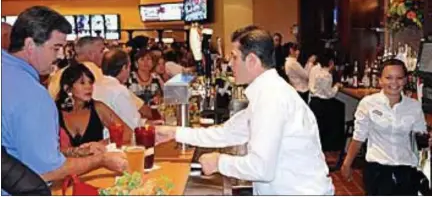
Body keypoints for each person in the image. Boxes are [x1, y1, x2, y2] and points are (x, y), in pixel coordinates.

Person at [155, 26, 334, 195]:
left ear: (252, 60)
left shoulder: (271, 98)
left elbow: (261, 168)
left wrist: (219, 162)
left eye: (234, 57)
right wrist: (174, 133)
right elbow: (227, 132)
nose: (230, 63)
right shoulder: (267, 92)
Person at [1, 6, 127, 193]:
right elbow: (47, 170)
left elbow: (17, 149)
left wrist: (74, 152)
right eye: (56, 48)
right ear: (29, 45)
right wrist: (101, 160)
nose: (60, 56)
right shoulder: (32, 95)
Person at [341, 59, 431, 195]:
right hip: (378, 170)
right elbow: (358, 137)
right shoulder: (368, 104)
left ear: (406, 80)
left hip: (406, 170)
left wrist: (427, 140)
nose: (394, 83)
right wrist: (347, 164)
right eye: (388, 78)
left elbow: (420, 137)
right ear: (380, 80)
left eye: (399, 78)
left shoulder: (414, 106)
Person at [56, 63, 131, 149]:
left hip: (97, 161)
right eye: (82, 82)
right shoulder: (53, 110)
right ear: (67, 88)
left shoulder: (98, 108)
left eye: (90, 82)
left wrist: (102, 144)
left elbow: (127, 133)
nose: (88, 87)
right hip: (65, 162)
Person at [93, 49, 149, 129]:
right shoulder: (118, 90)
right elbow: (134, 124)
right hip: (116, 138)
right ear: (124, 68)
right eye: (129, 67)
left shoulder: (95, 85)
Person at [308, 51, 344, 152]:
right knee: (324, 131)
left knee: (316, 130)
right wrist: (337, 86)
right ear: (331, 62)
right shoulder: (326, 75)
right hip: (323, 105)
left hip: (313, 102)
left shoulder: (314, 69)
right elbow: (330, 94)